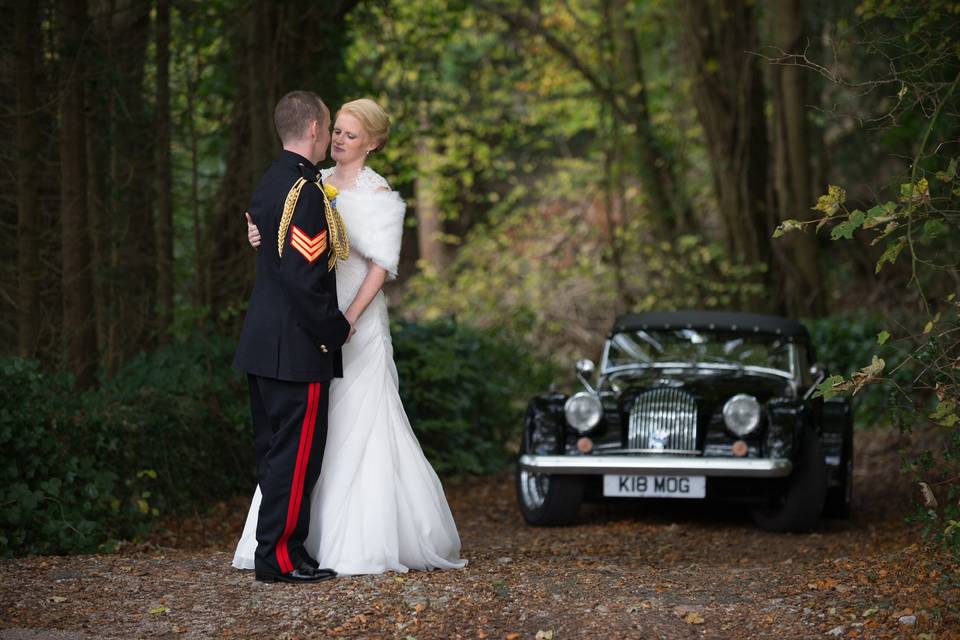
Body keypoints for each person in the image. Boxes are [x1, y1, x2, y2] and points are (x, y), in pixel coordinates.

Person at [234, 98, 467, 575]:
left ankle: (353, 540)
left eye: (351, 135)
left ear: (374, 142)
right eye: (336, 131)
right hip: (313, 323)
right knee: (305, 439)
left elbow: (381, 266)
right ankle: (292, 545)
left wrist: (348, 322)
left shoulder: (379, 194)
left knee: (345, 430)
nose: (339, 140)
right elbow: (286, 238)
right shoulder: (311, 184)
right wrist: (257, 235)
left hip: (348, 324)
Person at [232, 91, 354, 583]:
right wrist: (336, 329)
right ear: (313, 131)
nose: (329, 135)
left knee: (274, 455)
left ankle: (284, 553)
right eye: (327, 127)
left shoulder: (270, 181)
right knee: (294, 457)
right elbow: (305, 279)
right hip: (296, 348)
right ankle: (280, 558)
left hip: (264, 344)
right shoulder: (304, 192)